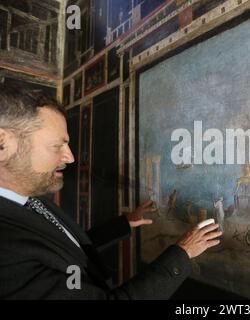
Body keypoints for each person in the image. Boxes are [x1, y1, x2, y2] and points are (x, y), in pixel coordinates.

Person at [0, 86, 222, 299]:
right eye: (57, 146)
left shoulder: (28, 197)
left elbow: (64, 250)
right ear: (3, 144)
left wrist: (124, 224)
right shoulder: (7, 253)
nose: (71, 157)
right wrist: (182, 253)